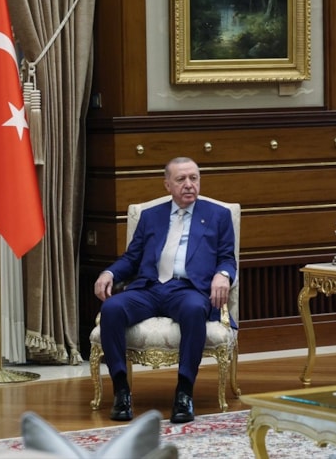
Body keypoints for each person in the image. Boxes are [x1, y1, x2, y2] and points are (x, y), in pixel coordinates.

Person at [93, 157, 236, 423]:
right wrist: (109, 273)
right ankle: (121, 391)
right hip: (149, 288)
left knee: (194, 309)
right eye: (181, 179)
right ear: (167, 184)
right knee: (111, 308)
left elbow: (227, 257)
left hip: (188, 289)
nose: (189, 184)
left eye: (194, 178)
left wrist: (223, 274)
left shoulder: (218, 215)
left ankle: (184, 393)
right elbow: (132, 258)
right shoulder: (151, 216)